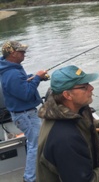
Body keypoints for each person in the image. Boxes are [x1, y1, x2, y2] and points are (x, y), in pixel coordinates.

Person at [36, 65, 99, 182]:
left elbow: (85, 127)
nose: (91, 88)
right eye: (84, 86)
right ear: (67, 95)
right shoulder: (65, 138)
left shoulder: (68, 112)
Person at [0, 40, 48, 182]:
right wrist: (37, 78)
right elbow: (26, 94)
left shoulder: (10, 68)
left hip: (24, 114)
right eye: (21, 51)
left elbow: (20, 83)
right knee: (36, 145)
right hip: (25, 115)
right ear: (13, 53)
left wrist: (33, 77)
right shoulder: (12, 73)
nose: (24, 54)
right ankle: (30, 178)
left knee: (33, 143)